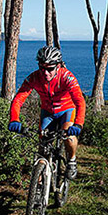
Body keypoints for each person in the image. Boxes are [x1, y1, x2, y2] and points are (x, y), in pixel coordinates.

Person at [8, 46, 85, 180]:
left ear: (59, 66)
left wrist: (78, 124)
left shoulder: (67, 77)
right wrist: (14, 119)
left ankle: (72, 161)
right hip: (48, 112)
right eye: (42, 68)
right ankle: (38, 186)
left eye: (50, 69)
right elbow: (18, 99)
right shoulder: (34, 78)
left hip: (66, 110)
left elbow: (80, 101)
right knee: (42, 148)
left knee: (68, 136)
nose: (45, 73)